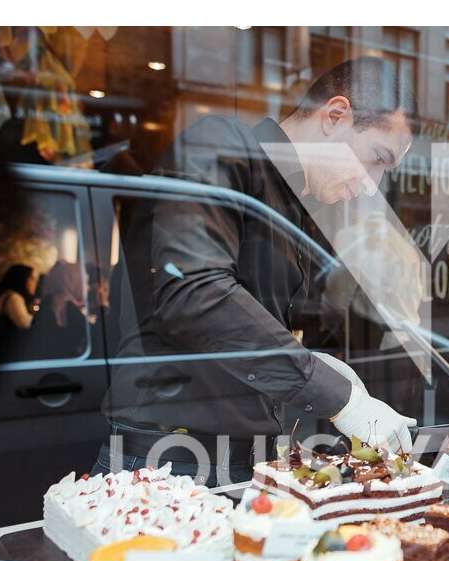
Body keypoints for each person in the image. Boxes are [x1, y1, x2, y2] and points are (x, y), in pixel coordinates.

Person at [98, 57, 417, 485]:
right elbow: (196, 292)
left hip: (231, 460)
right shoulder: (221, 146)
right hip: (167, 462)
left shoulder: (293, 205)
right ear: (335, 116)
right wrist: (340, 398)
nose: (372, 184)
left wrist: (312, 361)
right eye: (377, 158)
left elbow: (243, 326)